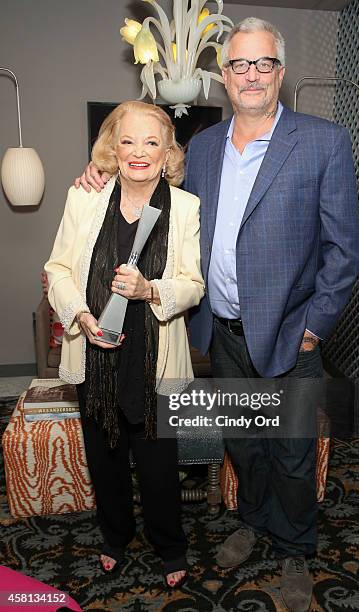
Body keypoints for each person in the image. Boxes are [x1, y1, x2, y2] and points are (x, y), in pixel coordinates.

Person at [75, 17, 359, 612]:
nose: (250, 75)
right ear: (223, 79)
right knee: (245, 443)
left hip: (290, 333)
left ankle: (296, 548)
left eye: (262, 64)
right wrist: (99, 173)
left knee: (292, 448)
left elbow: (344, 252)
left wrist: (315, 327)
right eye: (238, 65)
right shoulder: (202, 145)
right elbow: (152, 187)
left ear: (279, 74)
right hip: (220, 331)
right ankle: (254, 523)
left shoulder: (322, 141)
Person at [45, 100, 204, 589]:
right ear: (113, 146)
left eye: (152, 141)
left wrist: (150, 289)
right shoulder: (85, 198)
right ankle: (114, 536)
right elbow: (58, 270)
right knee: (105, 458)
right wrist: (81, 314)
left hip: (155, 355)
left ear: (167, 152)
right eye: (128, 140)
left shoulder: (185, 207)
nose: (139, 152)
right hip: (96, 352)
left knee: (159, 465)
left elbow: (193, 284)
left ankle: (169, 545)